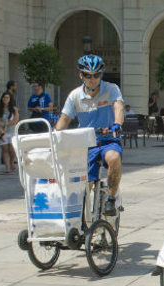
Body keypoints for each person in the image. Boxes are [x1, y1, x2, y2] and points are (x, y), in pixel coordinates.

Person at [55, 55, 125, 216]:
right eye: (88, 75)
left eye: (96, 75)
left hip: (108, 138)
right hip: (86, 143)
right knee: (85, 185)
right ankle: (82, 221)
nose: (93, 79)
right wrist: (54, 138)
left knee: (114, 158)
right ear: (81, 75)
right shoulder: (74, 96)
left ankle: (111, 199)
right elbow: (63, 120)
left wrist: (117, 124)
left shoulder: (111, 89)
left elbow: (118, 107)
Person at [0, 92, 20, 173]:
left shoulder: (14, 109)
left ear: (10, 99)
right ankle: (7, 167)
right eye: (4, 97)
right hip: (3, 132)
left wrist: (6, 123)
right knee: (5, 150)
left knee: (12, 150)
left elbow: (16, 121)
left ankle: (12, 160)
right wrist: (7, 123)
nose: (5, 99)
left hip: (12, 132)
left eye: (7, 97)